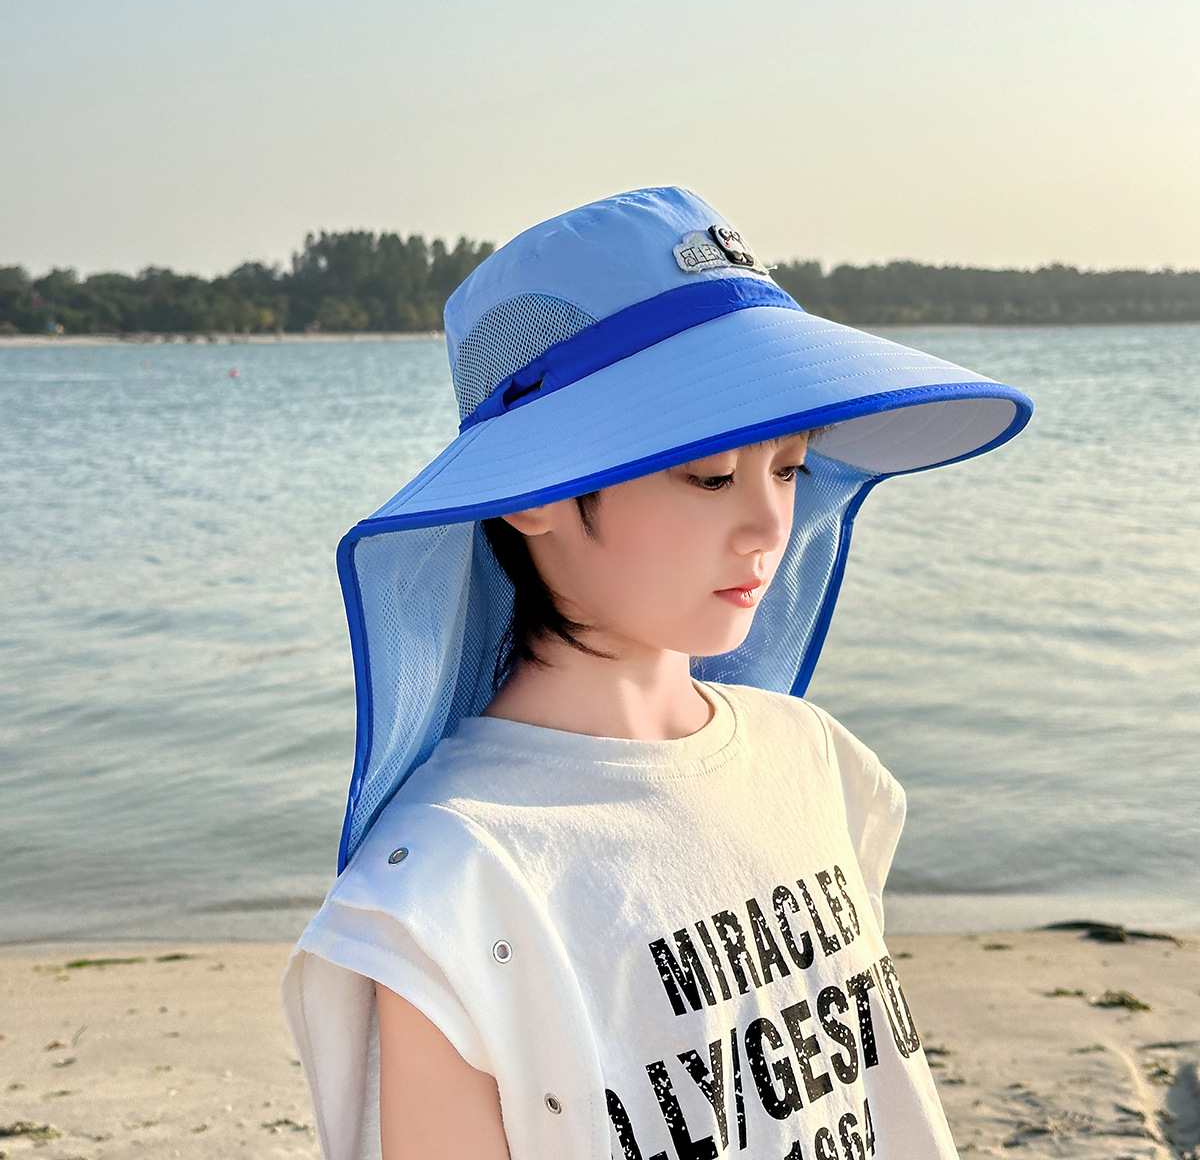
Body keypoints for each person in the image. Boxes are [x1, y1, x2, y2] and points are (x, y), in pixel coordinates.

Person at [281, 187, 1032, 1160]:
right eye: (711, 474)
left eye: (790, 467)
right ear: (535, 491)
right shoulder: (456, 885)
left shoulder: (809, 760)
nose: (768, 525)